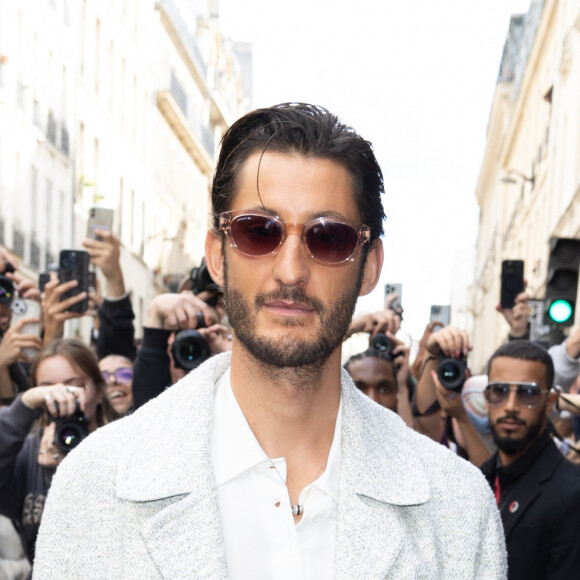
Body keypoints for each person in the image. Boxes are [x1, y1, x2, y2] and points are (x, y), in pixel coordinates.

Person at [34, 103, 506, 578]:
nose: (291, 271)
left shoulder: (457, 509)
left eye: (329, 238)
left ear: (370, 266)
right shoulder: (95, 484)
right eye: (259, 232)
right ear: (217, 256)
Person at [0, 339, 117, 565]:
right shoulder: (29, 453)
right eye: (47, 388)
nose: (61, 395)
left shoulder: (118, 447)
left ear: (100, 391)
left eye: (73, 386)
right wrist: (23, 405)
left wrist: (60, 476)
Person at [479, 340, 580, 579]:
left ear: (549, 404)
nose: (511, 406)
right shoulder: (475, 480)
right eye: (499, 391)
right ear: (487, 398)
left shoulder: (573, 493)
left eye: (529, 393)